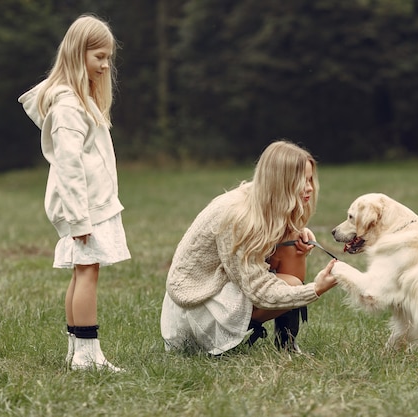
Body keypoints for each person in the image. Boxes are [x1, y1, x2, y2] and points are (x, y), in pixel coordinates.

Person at [18, 15, 129, 371]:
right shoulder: (67, 107)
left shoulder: (81, 101)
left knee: (83, 270)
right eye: (99, 56)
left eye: (108, 57)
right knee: (86, 272)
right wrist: (80, 217)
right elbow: (68, 167)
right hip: (83, 208)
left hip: (90, 205)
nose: (105, 64)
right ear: (77, 54)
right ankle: (85, 355)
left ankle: (80, 351)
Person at [160, 140, 338, 355]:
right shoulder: (239, 215)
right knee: (290, 283)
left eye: (310, 179)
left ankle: (287, 343)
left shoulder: (265, 199)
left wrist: (295, 237)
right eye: (301, 180)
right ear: (280, 181)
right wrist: (315, 289)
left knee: (292, 243)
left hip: (223, 285)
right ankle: (226, 343)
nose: (309, 187)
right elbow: (259, 291)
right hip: (196, 308)